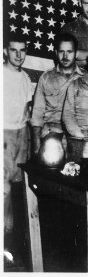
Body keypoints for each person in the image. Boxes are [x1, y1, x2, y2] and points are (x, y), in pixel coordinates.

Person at [31, 33, 85, 155]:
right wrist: (36, 146)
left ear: (76, 53)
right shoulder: (46, 78)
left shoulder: (85, 78)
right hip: (51, 133)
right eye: (61, 51)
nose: (65, 56)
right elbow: (37, 114)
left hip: (77, 136)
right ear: (56, 52)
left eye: (69, 52)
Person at [3, 35, 33, 256]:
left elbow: (26, 111)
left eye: (22, 50)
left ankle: (13, 237)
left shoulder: (25, 78)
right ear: (5, 51)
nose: (19, 54)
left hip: (21, 133)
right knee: (2, 187)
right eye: (14, 50)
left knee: (17, 185)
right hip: (3, 132)